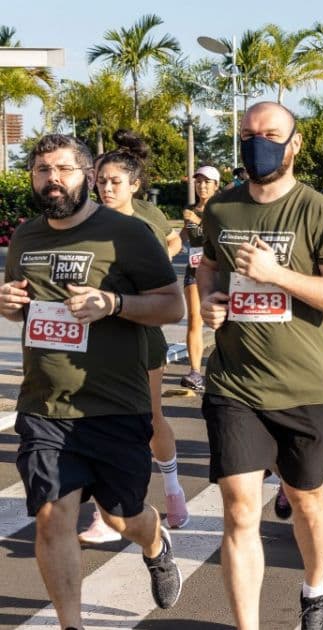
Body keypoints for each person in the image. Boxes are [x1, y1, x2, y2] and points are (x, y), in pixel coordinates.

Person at [1, 133, 185, 628]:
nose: (52, 179)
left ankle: (156, 542)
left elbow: (172, 304)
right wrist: (8, 306)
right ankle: (71, 625)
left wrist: (114, 303)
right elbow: (25, 307)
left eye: (63, 169)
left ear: (85, 174)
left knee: (124, 516)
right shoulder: (26, 237)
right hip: (45, 405)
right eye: (42, 170)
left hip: (114, 403)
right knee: (51, 517)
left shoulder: (124, 234)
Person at [197, 102, 323, 630]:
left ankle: (314, 590)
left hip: (304, 384)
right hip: (234, 382)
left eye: (269, 134)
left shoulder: (318, 210)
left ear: (295, 143)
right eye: (247, 134)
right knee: (241, 508)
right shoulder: (221, 210)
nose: (256, 143)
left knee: (307, 501)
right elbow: (210, 270)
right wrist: (210, 302)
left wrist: (277, 274)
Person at [78, 130, 189, 544]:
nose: (106, 188)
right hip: (92, 341)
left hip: (142, 337)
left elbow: (163, 285)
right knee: (97, 423)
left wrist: (117, 301)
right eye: (101, 180)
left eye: (115, 181)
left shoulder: (144, 223)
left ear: (135, 185)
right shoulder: (84, 220)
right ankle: (105, 515)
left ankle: (174, 491)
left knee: (149, 420)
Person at [181, 166, 222, 392]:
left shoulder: (222, 209)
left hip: (219, 270)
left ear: (216, 185)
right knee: (195, 318)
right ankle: (195, 372)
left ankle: (225, 368)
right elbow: (181, 238)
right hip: (194, 268)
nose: (202, 186)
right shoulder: (188, 210)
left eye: (207, 182)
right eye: (199, 181)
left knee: (223, 321)